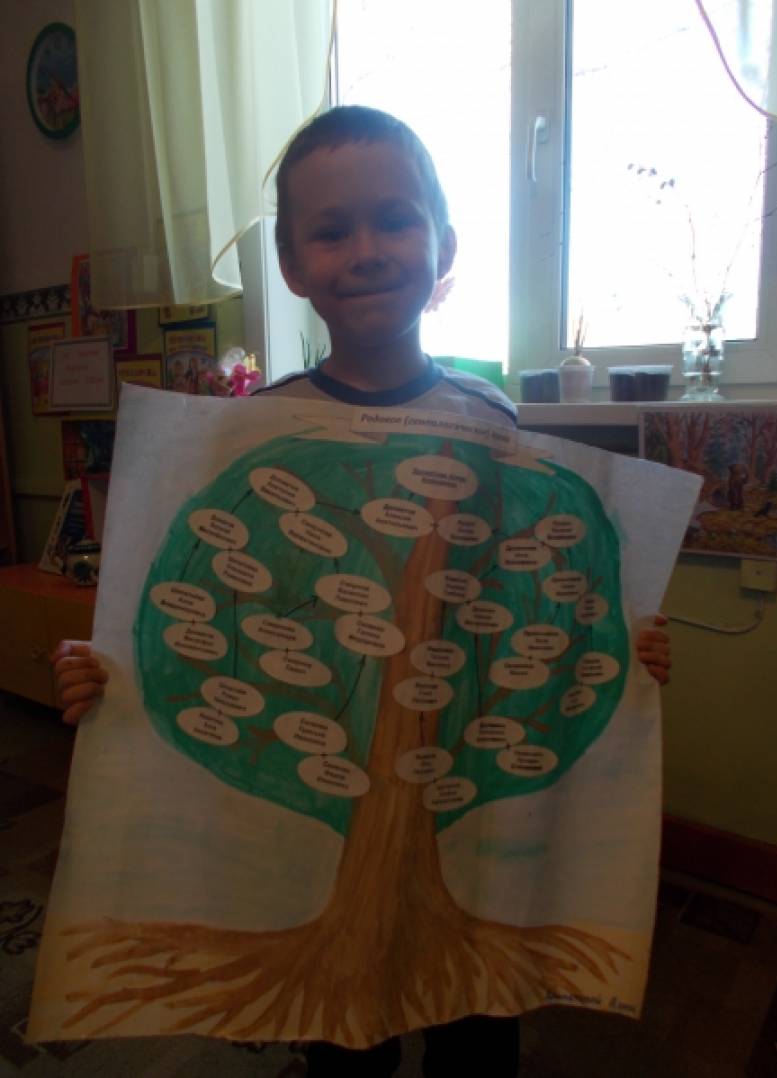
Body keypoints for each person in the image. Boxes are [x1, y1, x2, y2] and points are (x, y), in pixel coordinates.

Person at [51, 106, 672, 1077]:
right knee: (346, 1046)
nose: (367, 251)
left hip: (454, 762)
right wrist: (105, 674)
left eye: (395, 220)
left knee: (478, 1026)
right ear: (292, 264)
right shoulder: (256, 432)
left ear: (443, 245)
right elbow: (208, 605)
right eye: (331, 231)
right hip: (341, 739)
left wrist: (627, 651)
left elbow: (529, 600)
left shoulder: (490, 420)